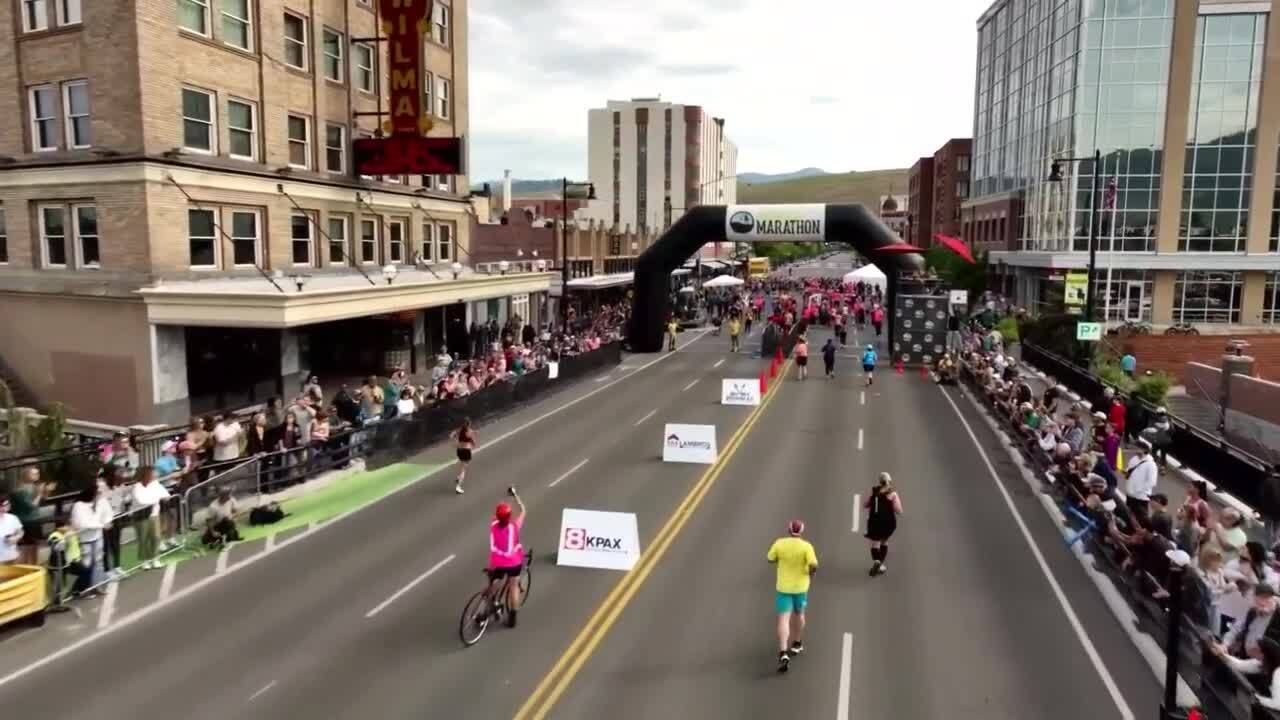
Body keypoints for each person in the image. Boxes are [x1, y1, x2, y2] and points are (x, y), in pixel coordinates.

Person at [767, 520, 818, 673]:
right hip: (800, 588)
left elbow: (770, 558)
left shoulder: (780, 543)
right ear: (801, 531)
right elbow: (813, 563)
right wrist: (811, 572)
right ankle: (796, 643)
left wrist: (780, 559)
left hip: (783, 587)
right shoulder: (806, 546)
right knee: (800, 615)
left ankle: (783, 652)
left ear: (788, 530)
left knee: (783, 619)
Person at [487, 488, 527, 627]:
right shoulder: (514, 526)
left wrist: (501, 502)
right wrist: (515, 495)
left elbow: (496, 513)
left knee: (494, 583)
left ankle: (492, 603)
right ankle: (512, 619)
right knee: (513, 587)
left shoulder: (493, 526)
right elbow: (523, 510)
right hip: (514, 563)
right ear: (509, 517)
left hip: (498, 562)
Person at [864, 472, 903, 576]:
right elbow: (899, 510)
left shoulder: (874, 492)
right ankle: (880, 563)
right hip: (888, 523)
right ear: (889, 481)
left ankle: (877, 562)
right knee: (884, 542)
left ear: (880, 482)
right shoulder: (893, 493)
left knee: (874, 543)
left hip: (874, 522)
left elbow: (865, 504)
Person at [453, 417, 476, 494]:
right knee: (463, 470)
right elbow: (473, 443)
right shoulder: (469, 432)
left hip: (459, 450)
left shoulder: (461, 430)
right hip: (466, 451)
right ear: (469, 424)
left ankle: (459, 477)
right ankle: (458, 487)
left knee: (463, 464)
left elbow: (453, 434)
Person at [0, 494, 23, 565]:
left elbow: (20, 532)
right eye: (5, 504)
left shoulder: (13, 518)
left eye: (9, 503)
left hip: (12, 556)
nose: (9, 505)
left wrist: (16, 538)